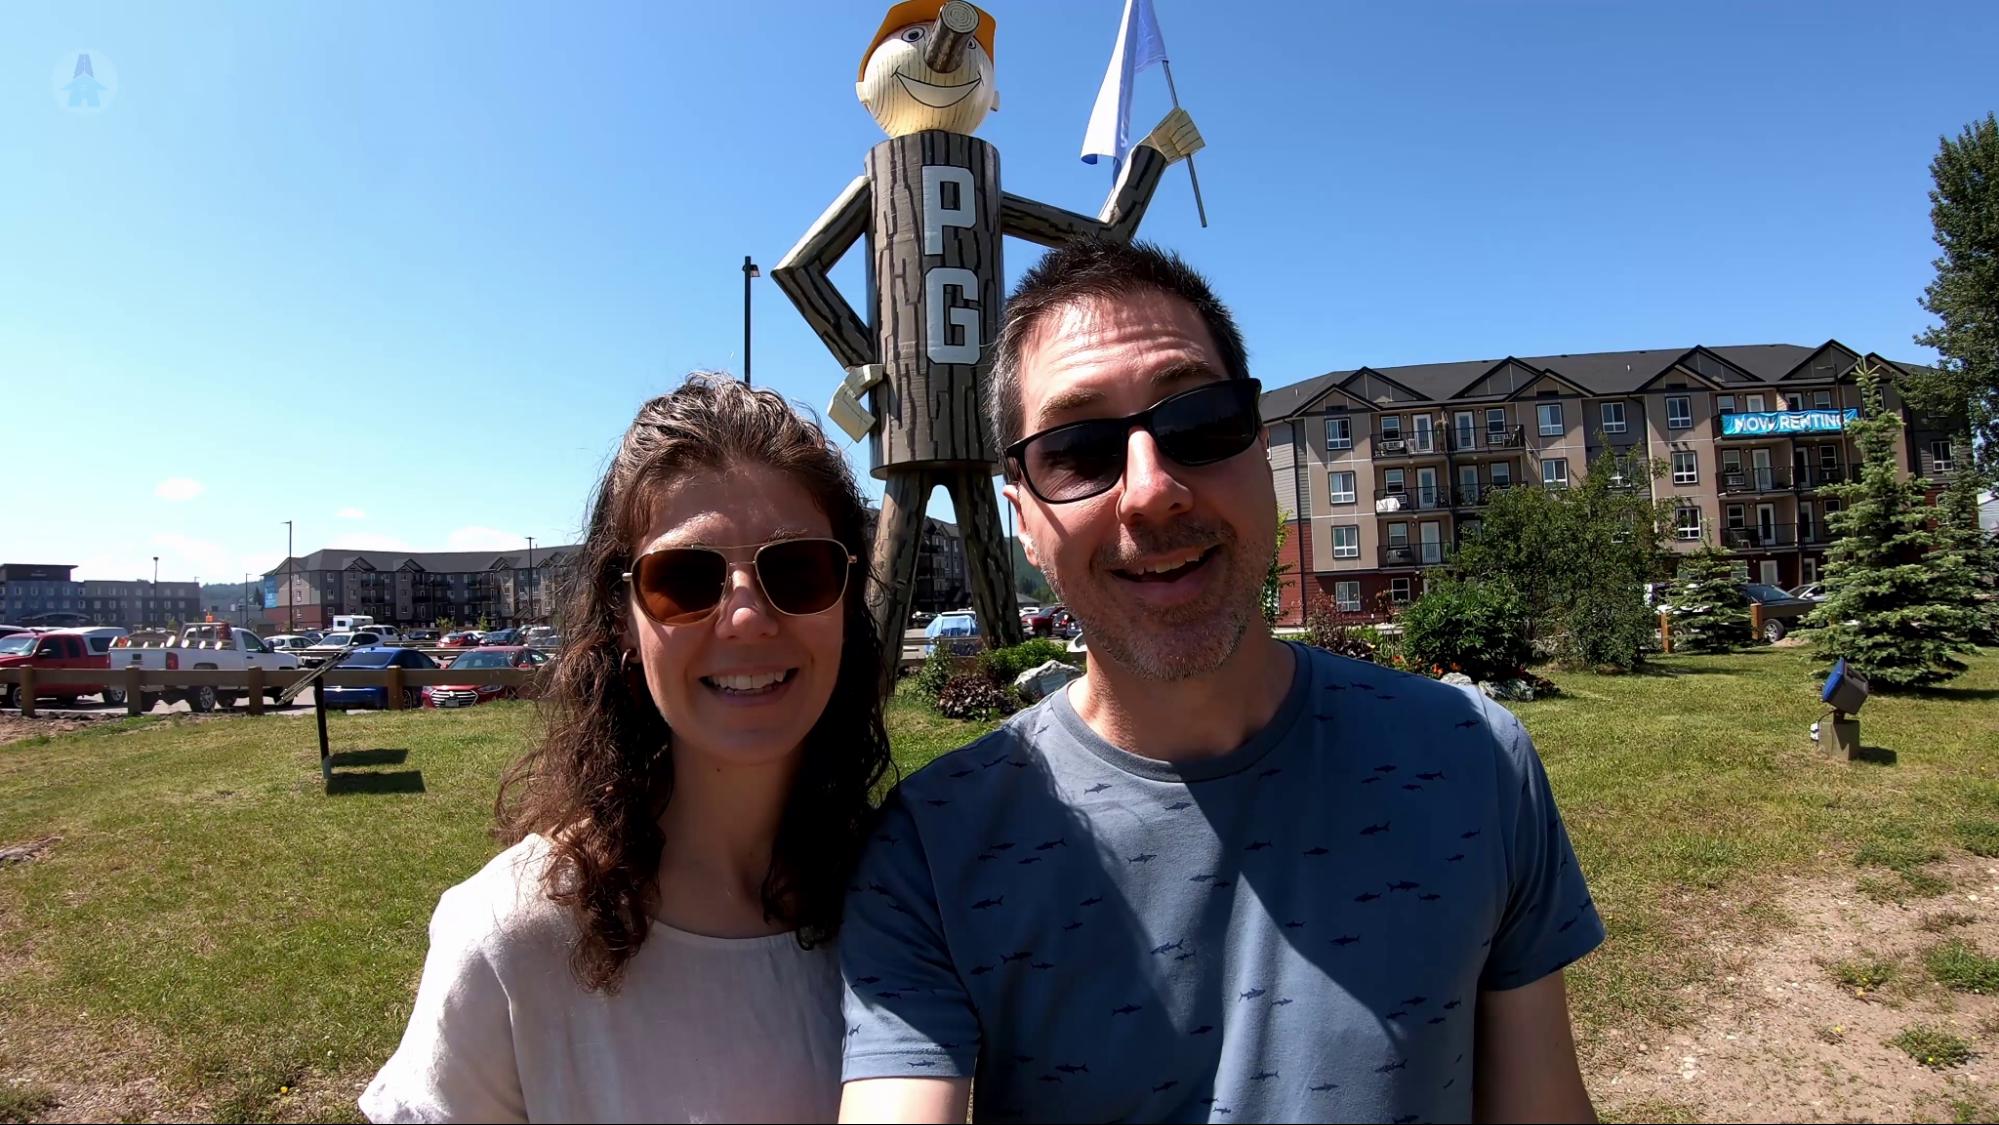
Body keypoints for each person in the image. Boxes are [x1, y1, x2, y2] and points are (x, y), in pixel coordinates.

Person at [837, 240, 1605, 1123]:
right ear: (1024, 517)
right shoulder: (931, 848)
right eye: (1079, 450)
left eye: (1197, 422)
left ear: (1261, 452)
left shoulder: (1474, 758)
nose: (1150, 491)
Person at [361, 374, 892, 1123]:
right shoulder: (509, 939)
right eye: (685, 579)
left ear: (846, 594)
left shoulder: (903, 898)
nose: (744, 615)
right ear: (623, 618)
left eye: (796, 569)